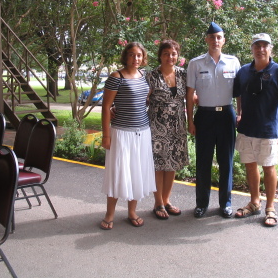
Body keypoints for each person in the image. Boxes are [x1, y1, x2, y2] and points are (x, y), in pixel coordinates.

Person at [233, 33, 278, 227]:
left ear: (270, 49)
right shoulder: (243, 71)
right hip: (246, 129)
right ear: (251, 49)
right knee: (250, 165)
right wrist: (239, 112)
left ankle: (270, 208)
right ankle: (254, 202)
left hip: (268, 130)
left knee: (268, 168)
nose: (260, 49)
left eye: (264, 46)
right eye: (257, 46)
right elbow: (238, 95)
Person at [186, 22, 240, 218]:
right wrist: (190, 120)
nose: (215, 40)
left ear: (223, 40)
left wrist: (239, 113)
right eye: (212, 37)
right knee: (203, 162)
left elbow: (239, 92)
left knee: (226, 161)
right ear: (206, 40)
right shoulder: (196, 63)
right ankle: (201, 204)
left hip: (226, 115)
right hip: (205, 116)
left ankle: (225, 203)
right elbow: (189, 92)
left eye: (219, 37)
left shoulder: (233, 62)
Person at [100, 42, 156, 230]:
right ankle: (110, 214)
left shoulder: (144, 76)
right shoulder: (116, 77)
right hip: (121, 133)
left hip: (142, 132)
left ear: (143, 57)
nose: (136, 59)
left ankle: (132, 211)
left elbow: (144, 100)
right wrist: (106, 136)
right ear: (126, 56)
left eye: (139, 55)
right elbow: (106, 107)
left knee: (136, 172)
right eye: (132, 55)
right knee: (117, 173)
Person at [146, 40, 189, 220]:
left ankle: (167, 200)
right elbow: (141, 98)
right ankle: (158, 203)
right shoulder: (151, 76)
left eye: (173, 53)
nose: (170, 57)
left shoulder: (183, 75)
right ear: (160, 55)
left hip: (178, 126)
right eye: (166, 53)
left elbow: (192, 96)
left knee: (172, 164)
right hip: (157, 126)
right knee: (158, 165)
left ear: (177, 55)